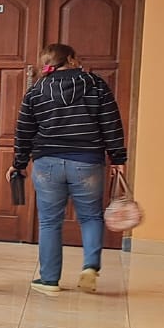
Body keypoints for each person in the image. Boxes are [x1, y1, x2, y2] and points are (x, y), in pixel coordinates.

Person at [11, 43, 127, 295]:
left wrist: (19, 163)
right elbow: (111, 122)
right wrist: (118, 157)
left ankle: (49, 280)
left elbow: (24, 131)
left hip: (47, 163)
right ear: (72, 59)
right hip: (87, 161)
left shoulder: (36, 90)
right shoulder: (95, 85)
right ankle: (90, 267)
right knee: (91, 217)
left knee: (50, 222)